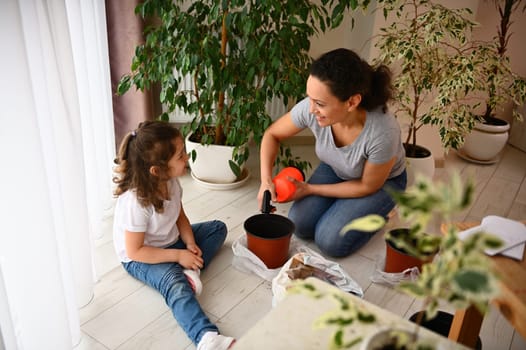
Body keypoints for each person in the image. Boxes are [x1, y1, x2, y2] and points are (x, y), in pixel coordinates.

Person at [258, 48, 407, 258]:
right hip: (337, 167)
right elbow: (272, 134)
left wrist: (310, 189)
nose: (311, 109)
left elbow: (366, 185)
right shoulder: (313, 109)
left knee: (330, 242)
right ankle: (345, 207)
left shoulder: (383, 132)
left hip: (381, 183)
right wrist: (266, 180)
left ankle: (382, 212)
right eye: (310, 99)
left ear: (352, 102)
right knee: (299, 225)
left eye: (319, 103)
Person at [112, 121, 234, 350]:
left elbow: (180, 216)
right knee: (174, 284)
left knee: (218, 228)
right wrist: (178, 256)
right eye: (180, 156)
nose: (187, 158)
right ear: (157, 170)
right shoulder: (136, 202)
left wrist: (188, 242)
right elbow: (135, 250)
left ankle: (190, 269)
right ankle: (206, 337)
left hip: (170, 241)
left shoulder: (172, 181)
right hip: (142, 257)